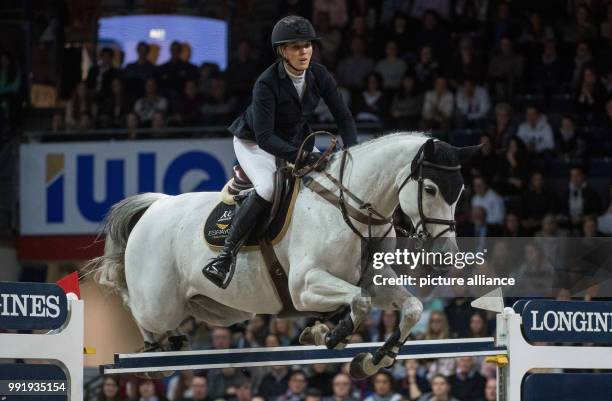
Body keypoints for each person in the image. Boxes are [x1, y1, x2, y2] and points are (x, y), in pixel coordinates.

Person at [202, 15, 358, 288]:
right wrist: (302, 156)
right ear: (282, 51)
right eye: (296, 47)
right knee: (267, 188)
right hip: (255, 142)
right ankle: (225, 257)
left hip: (297, 140)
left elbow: (344, 118)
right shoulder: (266, 82)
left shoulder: (319, 74)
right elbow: (264, 137)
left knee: (331, 181)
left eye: (307, 45)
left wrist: (353, 151)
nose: (304, 52)